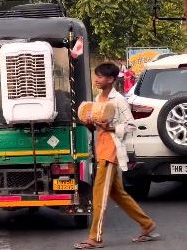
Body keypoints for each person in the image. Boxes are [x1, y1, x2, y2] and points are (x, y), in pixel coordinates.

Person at [74, 63, 158, 249]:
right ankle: (147, 225)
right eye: (96, 76)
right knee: (117, 193)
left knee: (99, 195)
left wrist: (109, 127)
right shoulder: (98, 98)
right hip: (101, 149)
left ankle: (95, 238)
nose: (97, 79)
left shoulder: (118, 100)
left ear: (111, 79)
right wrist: (89, 123)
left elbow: (130, 125)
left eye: (101, 77)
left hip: (111, 152)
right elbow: (96, 127)